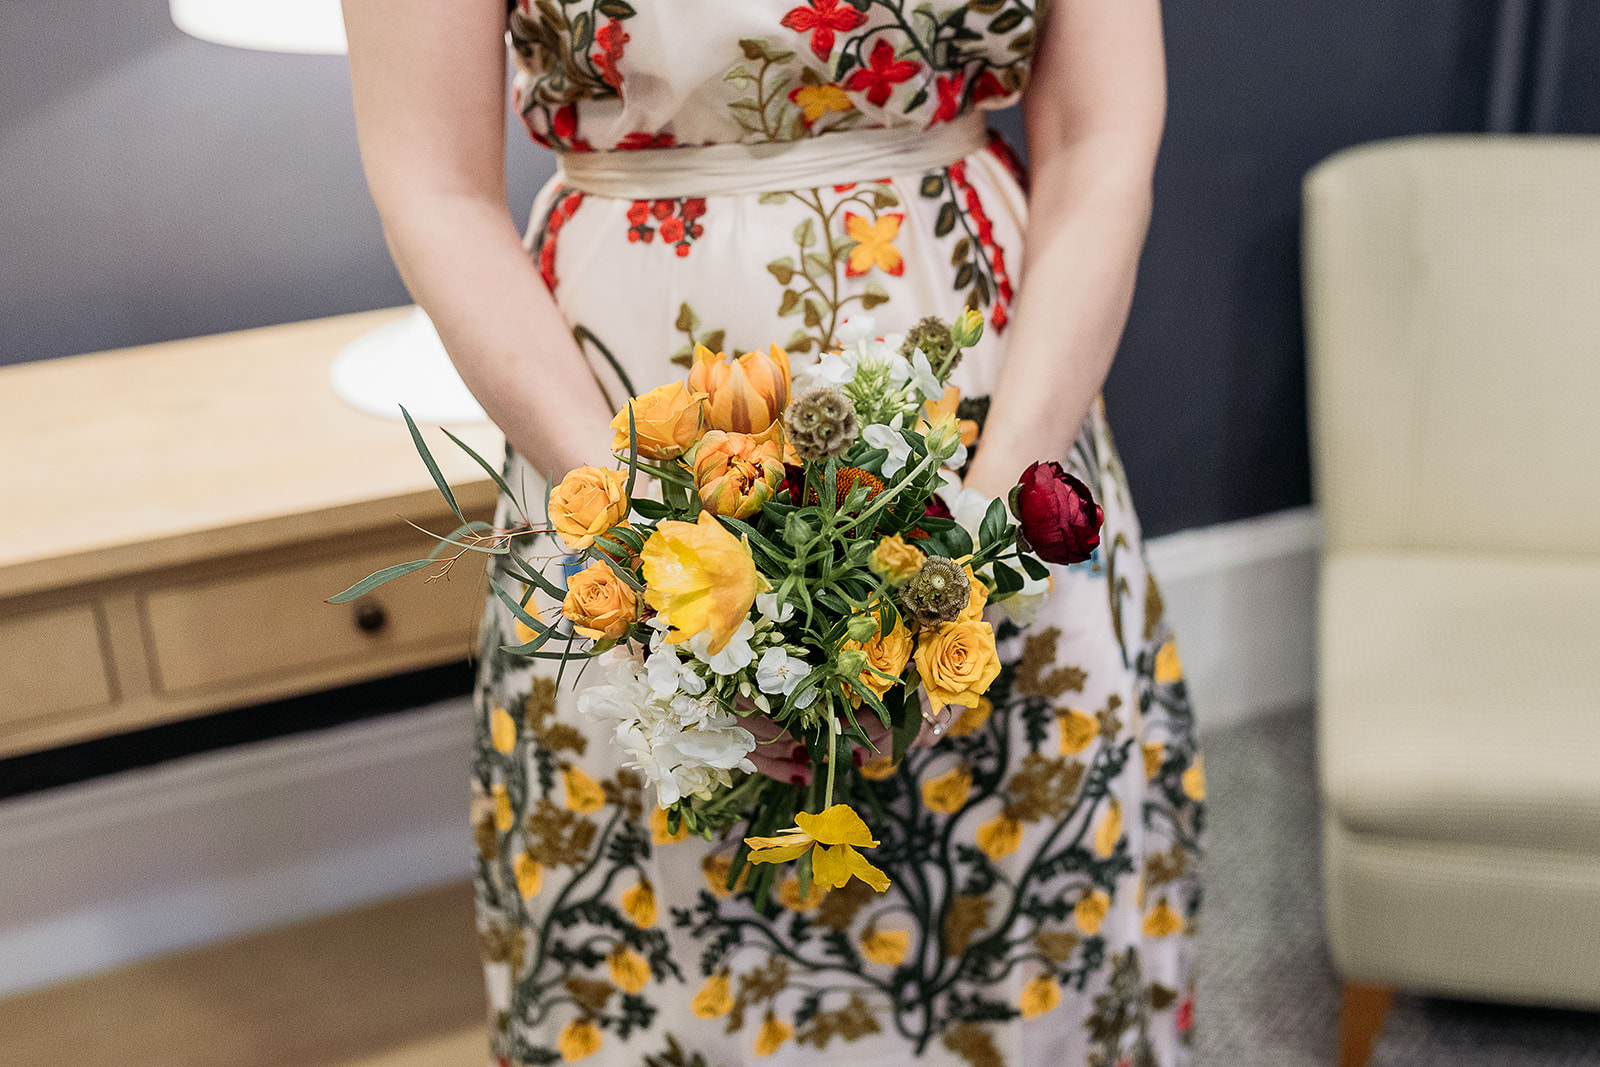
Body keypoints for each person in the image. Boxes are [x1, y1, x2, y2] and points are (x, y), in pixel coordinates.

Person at [343, 1, 1203, 1063]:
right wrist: (634, 543)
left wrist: (985, 528)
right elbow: (433, 184)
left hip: (995, 396)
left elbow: (1102, 137)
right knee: (670, 889)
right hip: (622, 412)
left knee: (1010, 869)